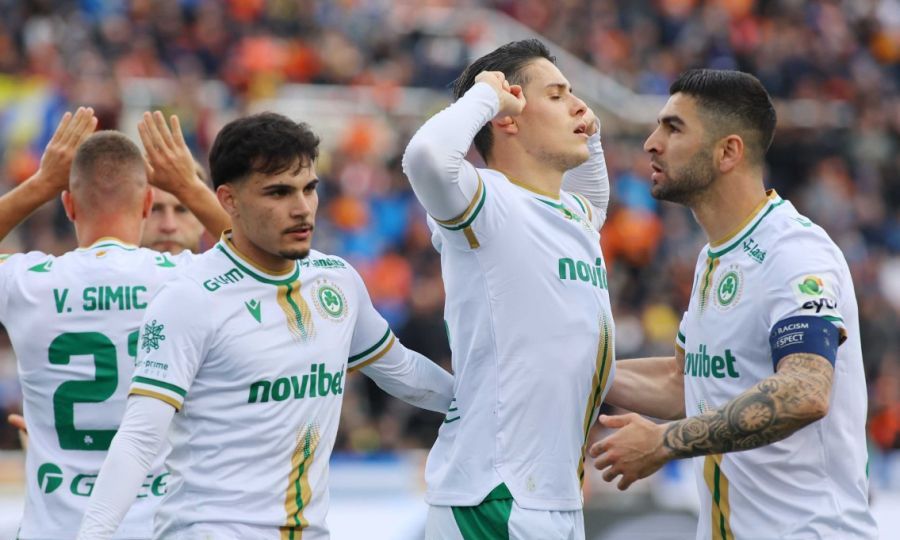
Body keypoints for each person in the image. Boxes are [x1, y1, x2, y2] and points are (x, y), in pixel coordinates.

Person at [76, 112, 455, 539]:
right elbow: (139, 438)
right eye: (278, 192)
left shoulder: (337, 280)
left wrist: (486, 409)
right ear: (229, 200)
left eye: (309, 188)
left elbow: (404, 372)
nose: (302, 208)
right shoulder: (189, 297)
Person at [594, 69, 878, 539]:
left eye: (673, 128)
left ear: (728, 152)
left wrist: (664, 441)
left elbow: (805, 390)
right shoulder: (715, 255)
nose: (651, 143)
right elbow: (683, 382)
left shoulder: (794, 251)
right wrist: (579, 367)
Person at [402, 39, 611, 539]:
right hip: (495, 495)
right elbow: (426, 157)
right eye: (557, 95)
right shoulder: (487, 200)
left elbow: (594, 194)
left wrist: (590, 130)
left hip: (553, 494)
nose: (580, 107)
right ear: (508, 117)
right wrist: (485, 96)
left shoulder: (573, 214)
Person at [0, 108, 229, 540]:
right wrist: (189, 185)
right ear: (147, 204)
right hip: (160, 529)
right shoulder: (186, 277)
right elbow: (264, 261)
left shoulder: (26, 282)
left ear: (68, 205)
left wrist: (40, 184)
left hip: (55, 530)